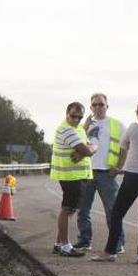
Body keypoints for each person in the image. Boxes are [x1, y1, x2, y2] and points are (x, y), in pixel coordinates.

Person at [91, 101, 138, 263]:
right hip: (135, 174)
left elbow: (123, 145)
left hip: (133, 176)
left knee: (117, 213)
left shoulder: (133, 128)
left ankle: (110, 251)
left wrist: (121, 167)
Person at [74, 93, 125, 252]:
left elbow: (125, 148)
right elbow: (75, 145)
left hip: (107, 174)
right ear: (90, 108)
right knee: (83, 210)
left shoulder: (116, 124)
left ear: (107, 106)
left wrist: (119, 167)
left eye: (101, 104)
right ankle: (84, 240)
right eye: (94, 105)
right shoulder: (84, 126)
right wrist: (84, 127)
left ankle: (118, 243)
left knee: (112, 211)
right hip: (86, 173)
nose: (98, 107)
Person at [51, 102, 96, 257]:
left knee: (69, 209)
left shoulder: (78, 129)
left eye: (79, 117)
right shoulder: (67, 130)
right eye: (73, 116)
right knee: (67, 209)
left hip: (77, 176)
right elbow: (88, 149)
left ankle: (58, 243)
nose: (76, 119)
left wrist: (86, 150)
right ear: (66, 113)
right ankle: (65, 246)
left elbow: (91, 146)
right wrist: (87, 150)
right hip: (70, 177)